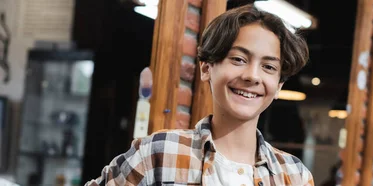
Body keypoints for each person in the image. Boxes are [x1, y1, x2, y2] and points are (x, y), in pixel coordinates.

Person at [85, 4, 312, 186]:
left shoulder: (294, 175)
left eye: (269, 67)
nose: (253, 76)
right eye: (238, 59)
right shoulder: (159, 153)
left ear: (279, 85)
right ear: (206, 68)